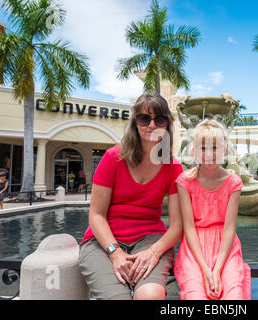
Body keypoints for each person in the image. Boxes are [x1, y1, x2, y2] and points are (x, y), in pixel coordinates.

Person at [78, 92, 183, 300]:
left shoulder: (173, 167)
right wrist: (115, 253)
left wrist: (153, 252)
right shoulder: (113, 158)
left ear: (167, 125)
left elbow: (178, 224)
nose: (152, 125)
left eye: (159, 119)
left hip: (151, 240)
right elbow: (96, 215)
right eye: (145, 118)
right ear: (135, 122)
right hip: (103, 243)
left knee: (150, 296)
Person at [174, 119, 251, 300]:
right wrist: (205, 269)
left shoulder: (233, 183)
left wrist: (216, 270)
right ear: (194, 151)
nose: (209, 154)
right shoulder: (185, 181)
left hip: (226, 248)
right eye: (203, 148)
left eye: (215, 147)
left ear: (224, 149)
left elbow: (229, 227)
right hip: (194, 249)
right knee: (195, 295)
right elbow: (189, 227)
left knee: (234, 294)